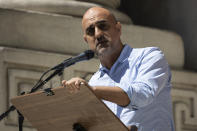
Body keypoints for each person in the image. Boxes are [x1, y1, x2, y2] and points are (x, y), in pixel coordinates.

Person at [62, 7, 174, 131]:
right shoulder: (95, 81)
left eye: (103, 26)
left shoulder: (149, 57)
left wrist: (92, 90)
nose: (98, 34)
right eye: (90, 31)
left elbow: (142, 95)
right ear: (86, 40)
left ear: (118, 28)